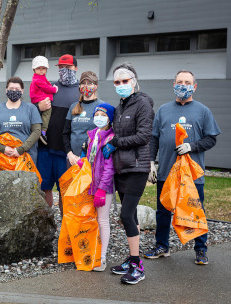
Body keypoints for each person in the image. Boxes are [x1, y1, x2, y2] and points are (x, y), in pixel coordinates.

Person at [145, 70, 220, 265]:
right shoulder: (163, 110)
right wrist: (151, 162)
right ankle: (162, 246)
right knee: (163, 211)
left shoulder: (203, 111)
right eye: (180, 81)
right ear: (173, 84)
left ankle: (201, 250)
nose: (183, 85)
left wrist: (192, 146)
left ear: (194, 86)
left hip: (191, 175)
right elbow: (153, 138)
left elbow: (211, 138)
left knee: (196, 211)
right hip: (166, 173)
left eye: (187, 82)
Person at [103, 62, 154, 285]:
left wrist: (116, 143)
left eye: (125, 80)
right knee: (130, 216)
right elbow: (114, 132)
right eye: (117, 82)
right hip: (121, 168)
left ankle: (137, 265)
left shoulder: (143, 104)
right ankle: (132, 258)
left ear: (134, 81)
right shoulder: (122, 105)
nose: (121, 85)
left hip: (137, 167)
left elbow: (143, 136)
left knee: (125, 215)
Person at [36, 54, 80, 212]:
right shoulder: (50, 87)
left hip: (66, 151)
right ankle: (47, 225)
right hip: (45, 147)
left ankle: (65, 228)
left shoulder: (82, 91)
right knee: (44, 187)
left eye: (67, 68)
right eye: (61, 68)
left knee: (65, 189)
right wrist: (38, 107)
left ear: (75, 68)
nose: (64, 71)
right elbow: (34, 111)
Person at [79, 103, 116, 272]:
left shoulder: (110, 138)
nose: (99, 117)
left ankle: (102, 257)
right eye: (97, 114)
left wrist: (102, 189)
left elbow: (109, 167)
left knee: (102, 220)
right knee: (90, 219)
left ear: (110, 118)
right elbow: (89, 159)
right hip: (89, 184)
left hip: (103, 187)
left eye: (103, 115)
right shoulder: (91, 135)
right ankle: (89, 252)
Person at [0, 77, 42, 163]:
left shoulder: (31, 109)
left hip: (25, 158)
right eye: (11, 88)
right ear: (6, 90)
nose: (14, 91)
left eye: (17, 89)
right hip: (1, 158)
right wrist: (2, 148)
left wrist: (21, 149)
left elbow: (37, 131)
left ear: (22, 91)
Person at [63, 71, 104, 168]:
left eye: (89, 83)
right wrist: (70, 154)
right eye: (83, 83)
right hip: (73, 160)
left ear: (96, 86)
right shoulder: (73, 107)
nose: (86, 86)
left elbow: (104, 133)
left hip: (93, 159)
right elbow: (65, 133)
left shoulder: (102, 106)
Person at [30, 56, 58, 145]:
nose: (41, 70)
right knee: (47, 113)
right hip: (39, 99)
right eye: (38, 68)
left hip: (39, 98)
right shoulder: (37, 79)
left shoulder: (41, 77)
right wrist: (54, 89)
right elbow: (46, 88)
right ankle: (43, 131)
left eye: (43, 68)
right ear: (34, 69)